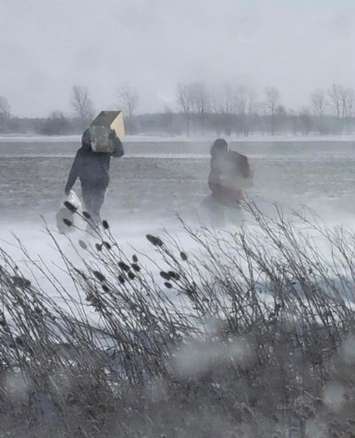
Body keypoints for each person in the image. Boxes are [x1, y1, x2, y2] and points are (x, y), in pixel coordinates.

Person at [65, 128, 124, 227]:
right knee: (89, 209)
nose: (87, 140)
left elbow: (119, 153)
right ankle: (93, 231)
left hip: (100, 183)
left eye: (88, 138)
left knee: (94, 209)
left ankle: (96, 232)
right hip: (87, 183)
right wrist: (69, 186)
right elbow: (75, 169)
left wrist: (114, 139)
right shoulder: (82, 152)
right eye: (86, 138)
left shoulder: (104, 149)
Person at [203, 138, 252, 226]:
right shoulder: (217, 159)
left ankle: (234, 231)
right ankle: (228, 230)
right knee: (212, 208)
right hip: (221, 193)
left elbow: (216, 177)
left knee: (225, 210)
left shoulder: (230, 158)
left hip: (228, 193)